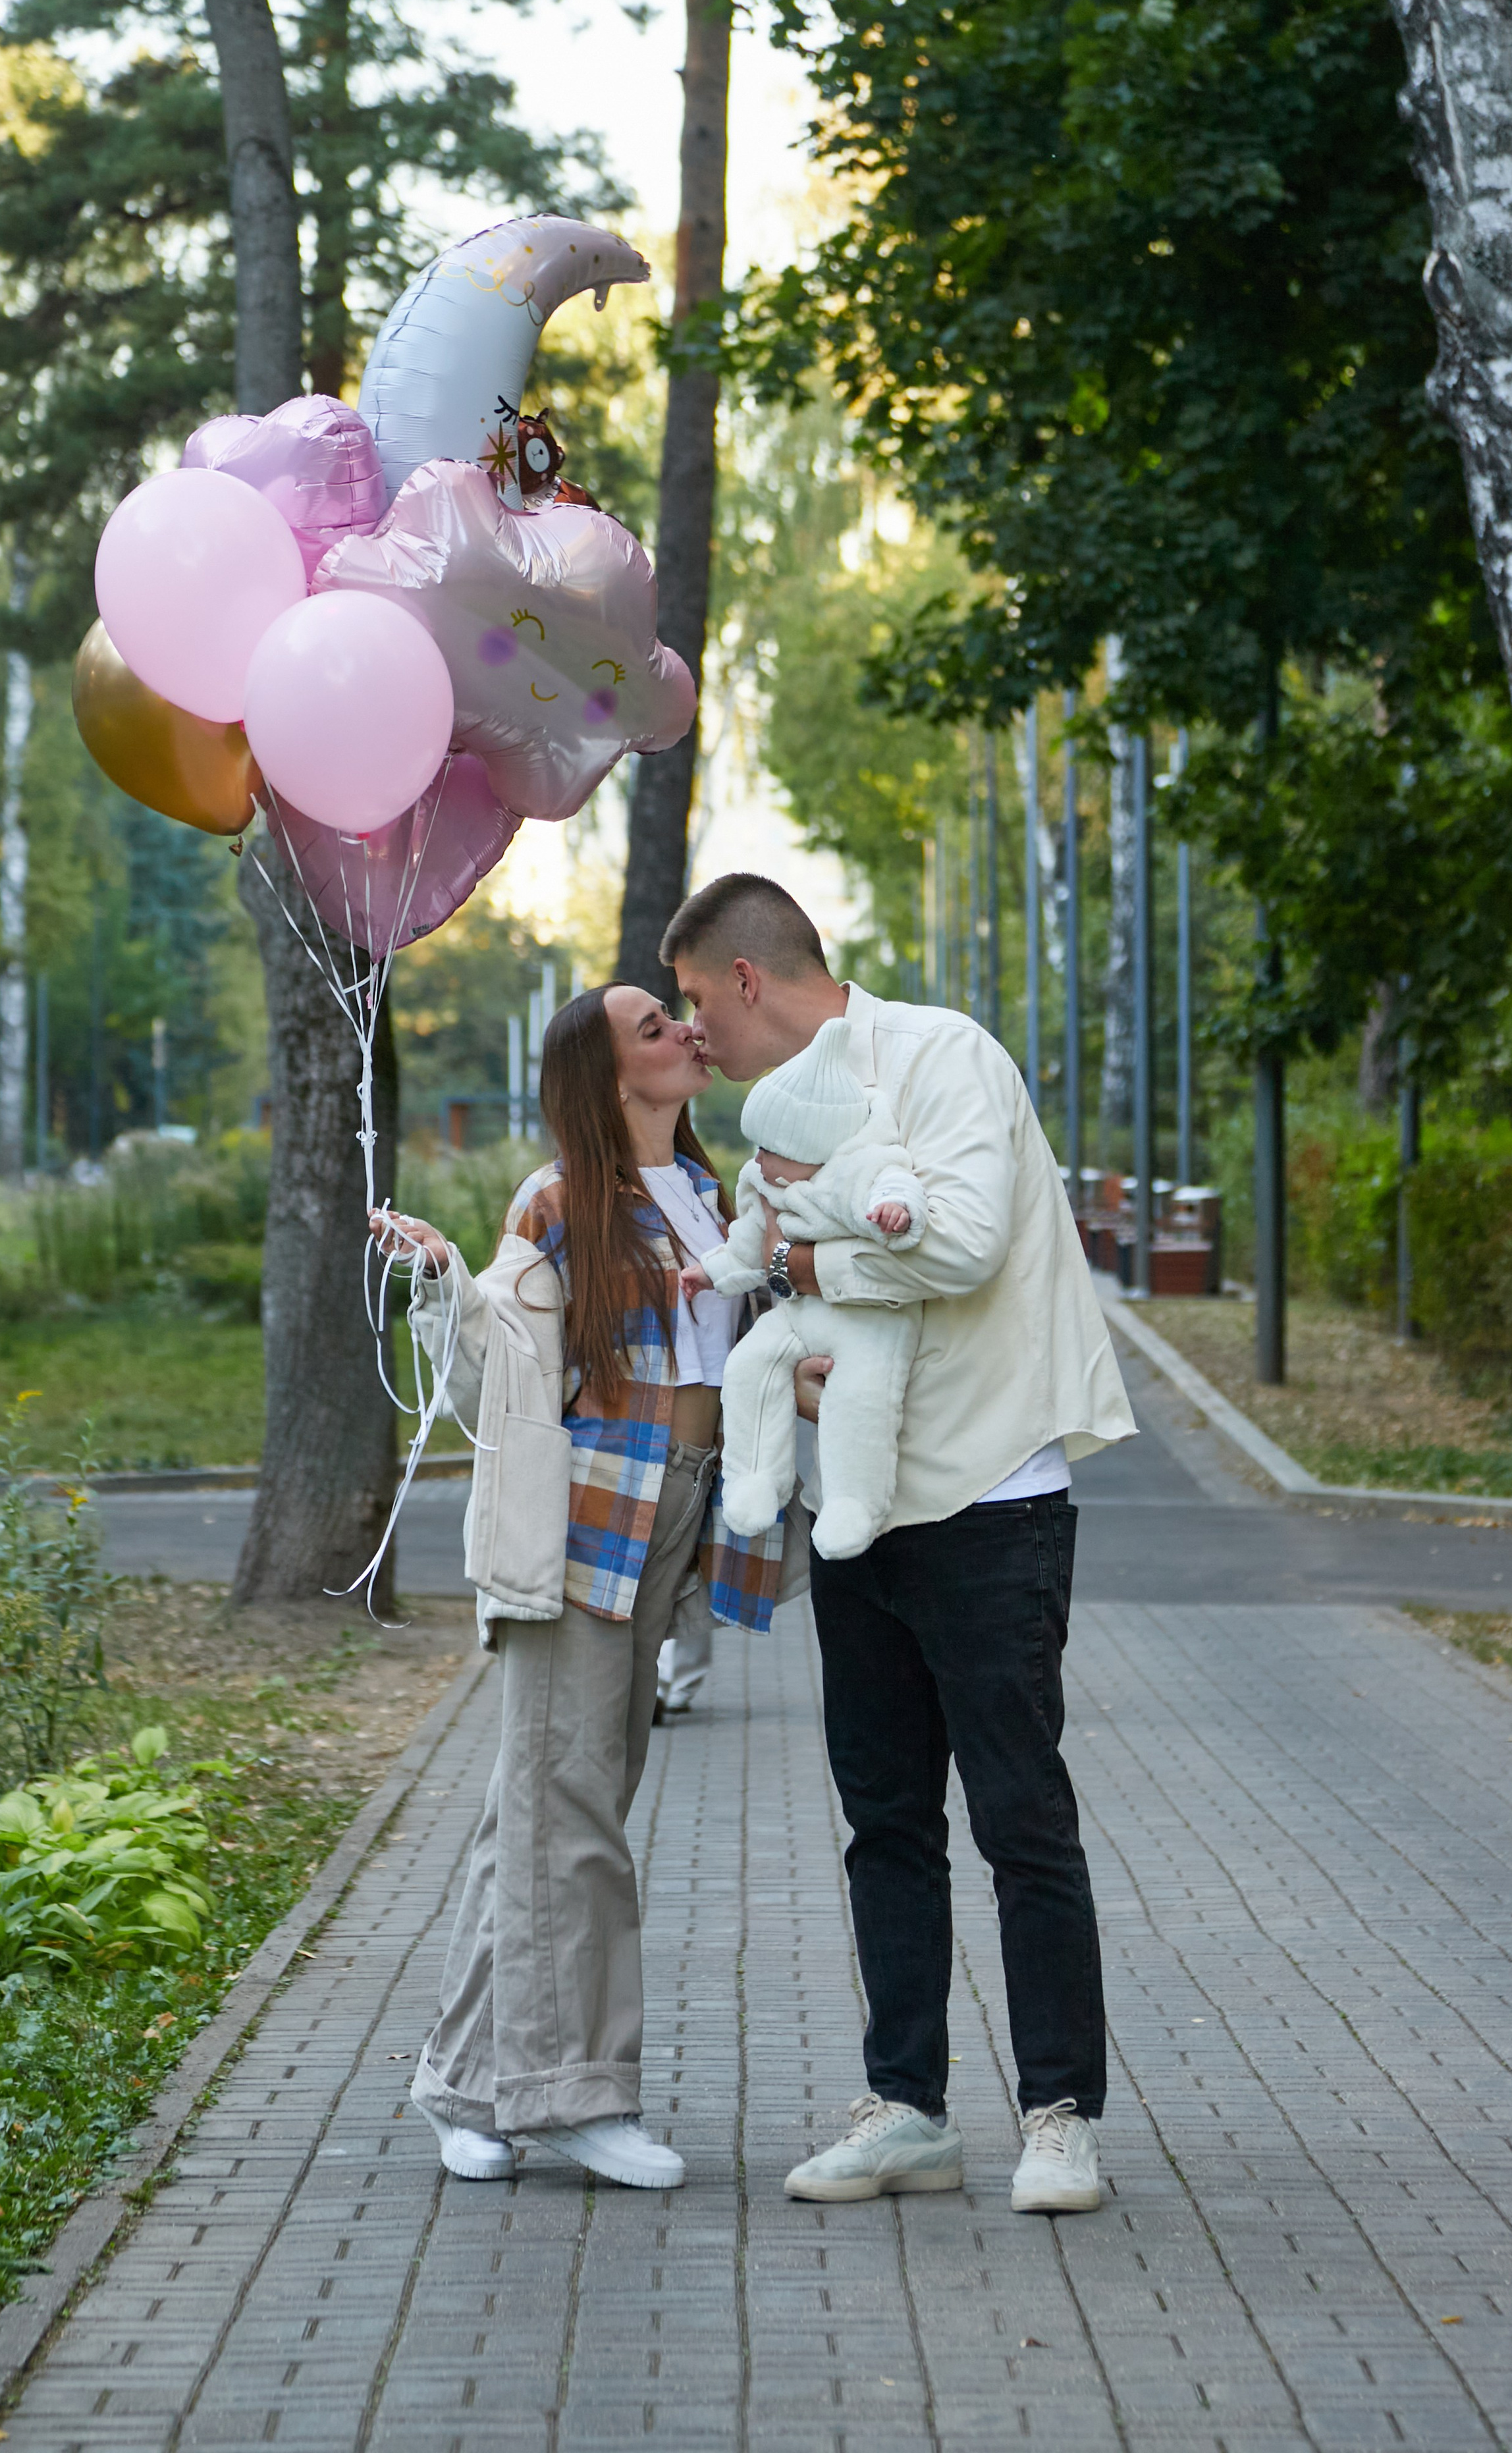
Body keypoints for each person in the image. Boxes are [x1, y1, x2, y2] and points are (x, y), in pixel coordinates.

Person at [664, 873, 1136, 2216]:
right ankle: (908, 2110)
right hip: (854, 1506)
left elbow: (968, 1245)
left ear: (748, 979)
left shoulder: (940, 1056)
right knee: (883, 1823)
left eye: (699, 1005)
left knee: (1019, 1819)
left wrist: (810, 1273)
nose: (697, 1038)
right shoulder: (772, 1136)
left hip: (991, 1499)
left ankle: (1058, 2117)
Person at [371, 984, 809, 2192]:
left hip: (680, 1508)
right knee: (569, 1814)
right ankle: (569, 2096)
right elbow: (501, 1372)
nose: (683, 1032)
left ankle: (466, 2084)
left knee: (549, 1804)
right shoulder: (560, 1200)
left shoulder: (713, 1195)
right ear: (609, 1075)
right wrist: (444, 1283)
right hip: (585, 1521)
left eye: (677, 1017)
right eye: (653, 1028)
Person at [680, 1015, 931, 1559]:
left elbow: (898, 1182)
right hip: (797, 1314)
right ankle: (755, 1476)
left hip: (869, 1321)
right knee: (749, 1366)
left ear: (813, 1148)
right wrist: (714, 1271)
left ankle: (854, 1501)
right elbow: (749, 1238)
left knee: (861, 1401)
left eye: (771, 1149)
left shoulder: (858, 1169)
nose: (758, 1160)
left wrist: (897, 1210)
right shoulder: (765, 1178)